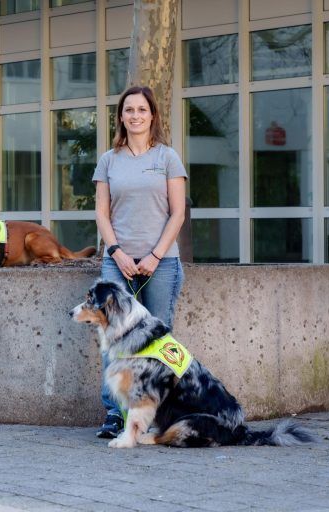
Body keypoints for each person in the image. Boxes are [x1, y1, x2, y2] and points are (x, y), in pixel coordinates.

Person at [91, 85, 187, 438]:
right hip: (117, 261)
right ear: (120, 117)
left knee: (158, 342)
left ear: (152, 115)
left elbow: (178, 214)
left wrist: (154, 256)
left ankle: (160, 413)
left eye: (141, 110)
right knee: (112, 340)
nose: (135, 116)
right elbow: (102, 213)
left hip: (161, 263)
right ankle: (115, 415)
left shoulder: (167, 157)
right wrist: (115, 252)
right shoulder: (108, 160)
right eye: (128, 110)